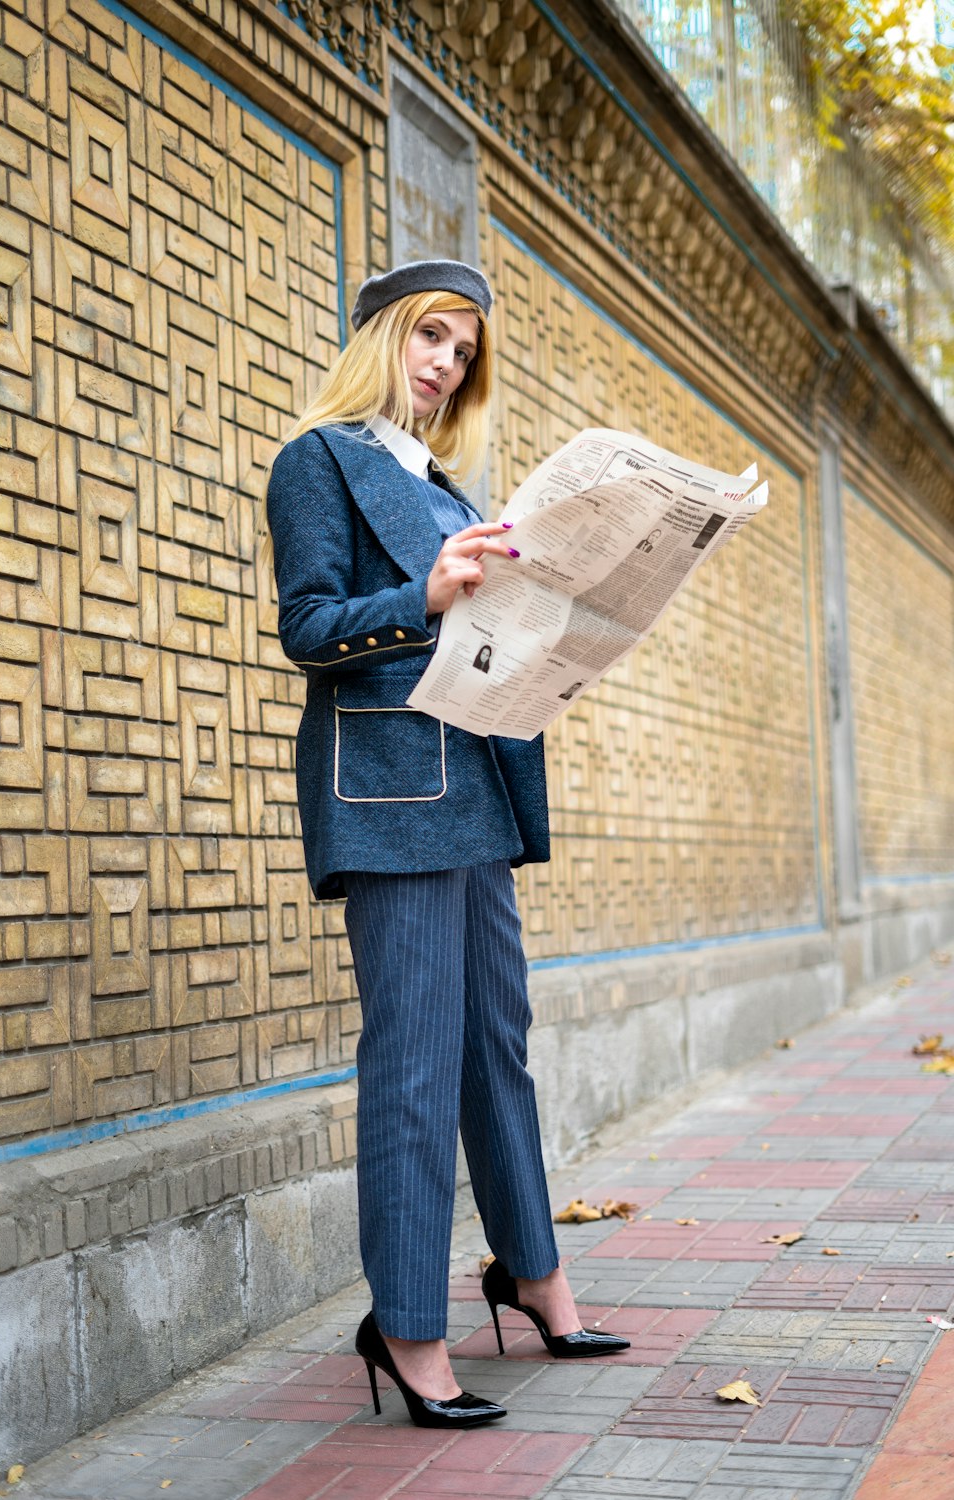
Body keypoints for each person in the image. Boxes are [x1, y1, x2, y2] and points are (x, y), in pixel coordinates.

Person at [265, 260, 629, 1431]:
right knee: (416, 1065)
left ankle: (534, 1277)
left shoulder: (446, 481)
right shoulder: (318, 458)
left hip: (473, 779)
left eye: (464, 350)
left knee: (496, 1046)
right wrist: (420, 597)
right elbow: (308, 628)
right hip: (385, 795)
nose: (445, 362)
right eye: (431, 335)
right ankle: (410, 1329)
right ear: (381, 334)